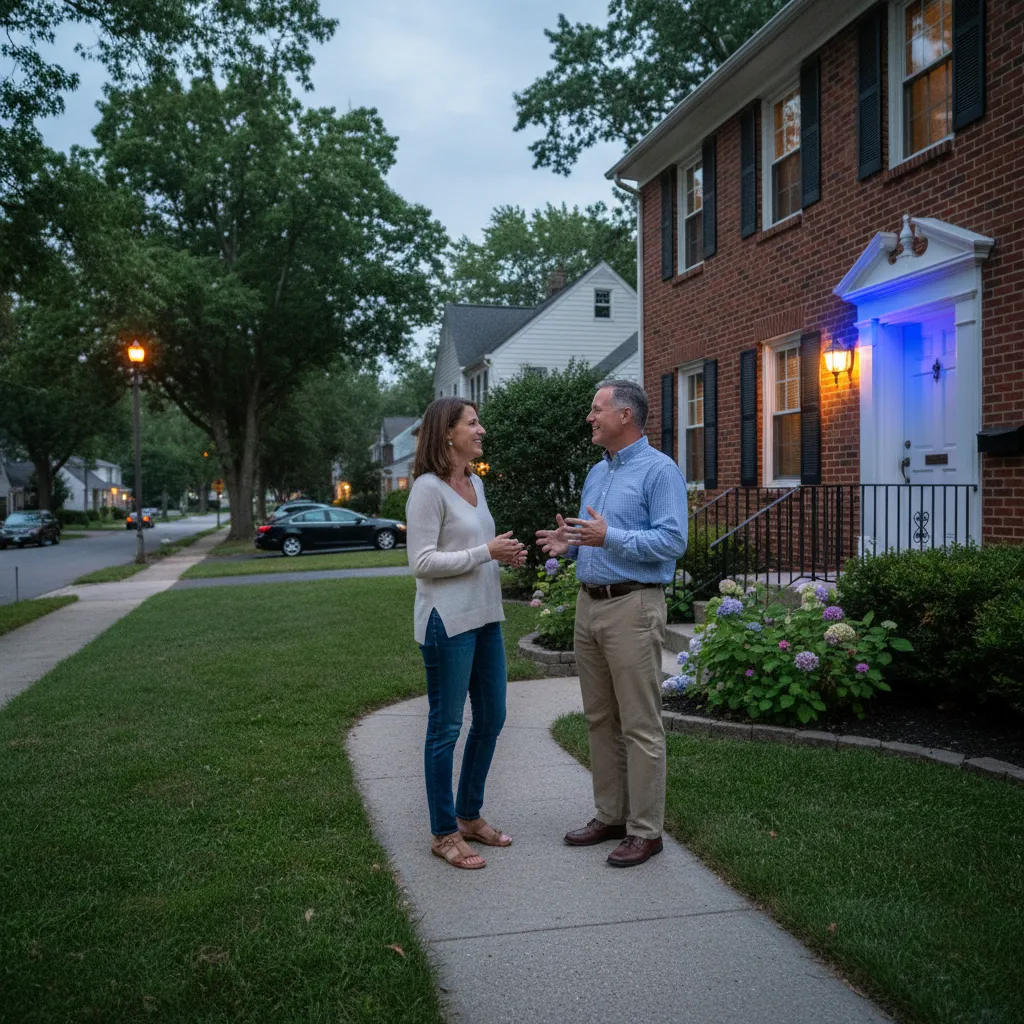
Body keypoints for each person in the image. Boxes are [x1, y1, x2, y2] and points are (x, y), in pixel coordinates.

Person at [537, 380, 688, 867]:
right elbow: (594, 535)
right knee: (599, 718)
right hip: (589, 606)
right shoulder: (596, 473)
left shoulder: (659, 471)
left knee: (640, 724)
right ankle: (611, 816)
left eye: (597, 409)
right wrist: (572, 543)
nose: (590, 417)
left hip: (633, 606)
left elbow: (672, 542)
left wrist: (609, 537)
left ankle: (647, 831)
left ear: (625, 415)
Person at [406, 397, 527, 870]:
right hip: (447, 623)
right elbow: (421, 564)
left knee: (492, 717)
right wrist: (484, 552)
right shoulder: (427, 490)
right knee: (446, 728)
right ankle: (442, 833)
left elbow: (478, 547)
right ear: (447, 433)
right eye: (472, 424)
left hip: (485, 617)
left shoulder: (475, 481)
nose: (481, 431)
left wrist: (502, 555)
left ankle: (469, 815)